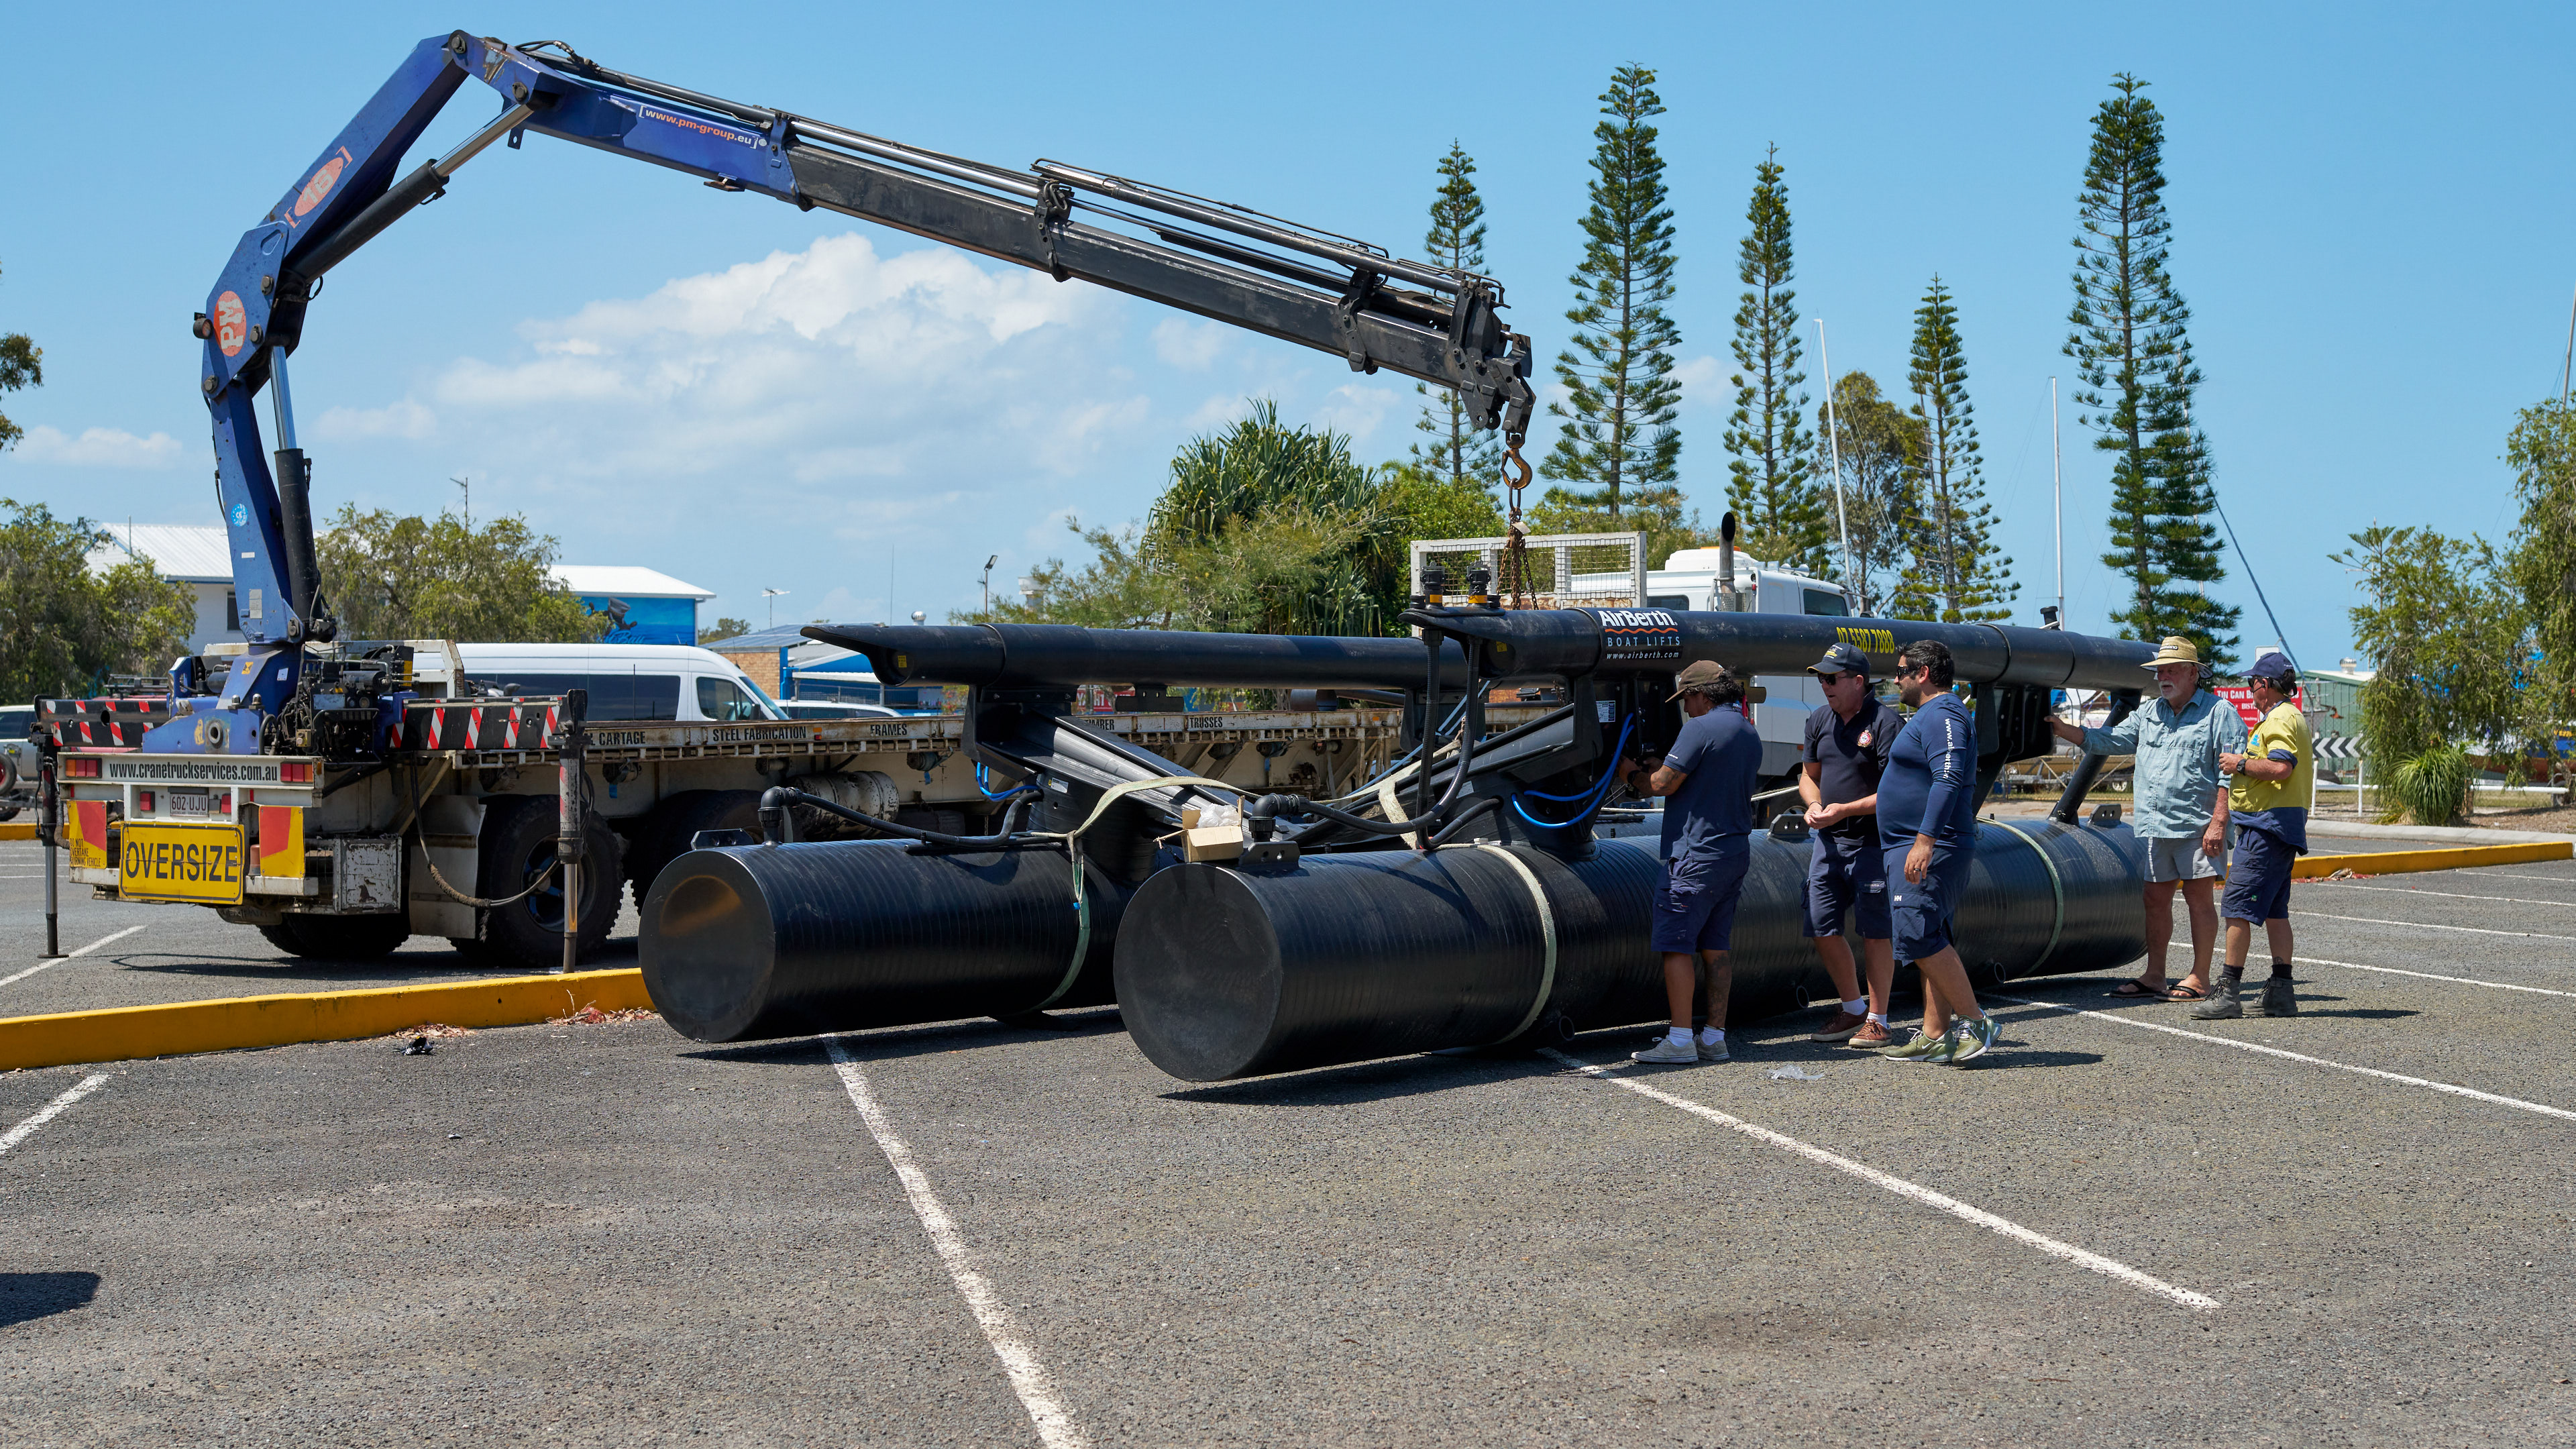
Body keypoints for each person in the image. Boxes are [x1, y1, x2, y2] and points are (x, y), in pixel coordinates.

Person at [2048, 636, 2245, 1002]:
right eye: (2160, 671)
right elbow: (2110, 740)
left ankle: (2200, 977)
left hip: (2198, 825)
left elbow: (2230, 774)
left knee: (2198, 900)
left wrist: (2219, 821)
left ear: (2193, 673)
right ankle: (2155, 976)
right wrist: (2065, 730)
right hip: (2157, 824)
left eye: (2171, 670)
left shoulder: (2220, 713)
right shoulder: (2150, 711)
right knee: (2154, 898)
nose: (2163, 677)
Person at [1616, 660, 1763, 1065]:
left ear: (1701, 695)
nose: (1685, 708)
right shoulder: (1747, 731)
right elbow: (1705, 776)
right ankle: (1714, 1037)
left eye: (1687, 699)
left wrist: (1631, 774)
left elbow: (1662, 784)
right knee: (1716, 946)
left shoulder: (1699, 728)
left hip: (1694, 855)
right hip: (1733, 852)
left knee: (1676, 945)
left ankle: (1680, 1040)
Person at [1873, 640, 2002, 1066]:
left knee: (1917, 934)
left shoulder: (1943, 713)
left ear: (1923, 673)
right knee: (1930, 933)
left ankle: (1977, 1022)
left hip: (1931, 844)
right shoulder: (1933, 715)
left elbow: (1947, 779)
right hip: (1911, 843)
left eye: (1901, 671)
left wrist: (1924, 840)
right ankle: (1934, 1035)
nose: (1896, 680)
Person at [1795, 642, 1905, 1049]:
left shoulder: (1886, 723)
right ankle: (1853, 1008)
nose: (1824, 686)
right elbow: (1808, 776)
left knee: (1875, 931)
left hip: (1874, 844)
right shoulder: (1818, 720)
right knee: (1820, 924)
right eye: (1821, 679)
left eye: (1831, 678)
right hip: (1828, 843)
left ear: (1858, 682)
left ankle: (1879, 1019)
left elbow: (1894, 793)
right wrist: (1815, 805)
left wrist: (1844, 810)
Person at [2198, 652, 2314, 1020]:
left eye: (2252, 683)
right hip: (2278, 826)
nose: (2250, 690)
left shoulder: (2279, 718)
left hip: (2266, 828)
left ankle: (2228, 991)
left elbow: (2281, 767)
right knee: (2276, 911)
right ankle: (2281, 991)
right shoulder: (2289, 716)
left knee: (2236, 907)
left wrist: (2240, 764)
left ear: (2265, 684)